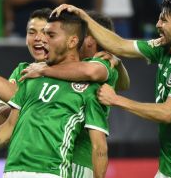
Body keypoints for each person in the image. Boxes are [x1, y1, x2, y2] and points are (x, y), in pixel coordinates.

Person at [52, 0, 171, 178]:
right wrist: (83, 16)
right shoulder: (165, 47)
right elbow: (120, 45)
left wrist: (116, 100)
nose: (157, 25)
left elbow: (168, 113)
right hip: (170, 165)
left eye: (164, 20)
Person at [0, 11, 110, 178]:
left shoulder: (90, 86)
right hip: (13, 170)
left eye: (50, 34)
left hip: (53, 171)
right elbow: (9, 125)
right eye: (35, 32)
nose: (42, 39)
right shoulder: (31, 75)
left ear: (72, 41)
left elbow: (100, 148)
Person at [19, 10, 128, 178]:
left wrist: (44, 70)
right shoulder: (73, 67)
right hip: (58, 160)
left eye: (83, 33)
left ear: (92, 39)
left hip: (77, 162)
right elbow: (124, 84)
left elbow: (91, 72)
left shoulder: (100, 66)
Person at [0, 8, 52, 127]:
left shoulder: (72, 73)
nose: (37, 38)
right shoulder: (22, 71)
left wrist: (18, 104)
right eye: (31, 32)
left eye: (44, 32)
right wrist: (27, 105)